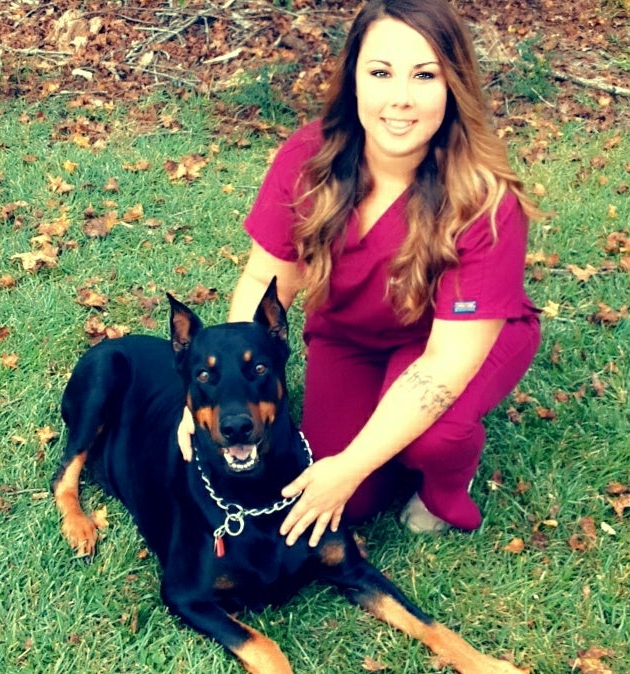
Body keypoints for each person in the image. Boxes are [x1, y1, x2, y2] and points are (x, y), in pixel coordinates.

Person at [179, 0, 541, 548]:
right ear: (353, 80)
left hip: (457, 343)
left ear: (454, 85)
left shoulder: (485, 199)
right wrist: (223, 383)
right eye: (380, 72)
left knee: (431, 438)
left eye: (424, 75)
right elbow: (262, 283)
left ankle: (445, 483)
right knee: (356, 502)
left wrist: (350, 466)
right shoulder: (309, 156)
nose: (400, 98)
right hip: (350, 336)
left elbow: (442, 367)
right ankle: (389, 444)